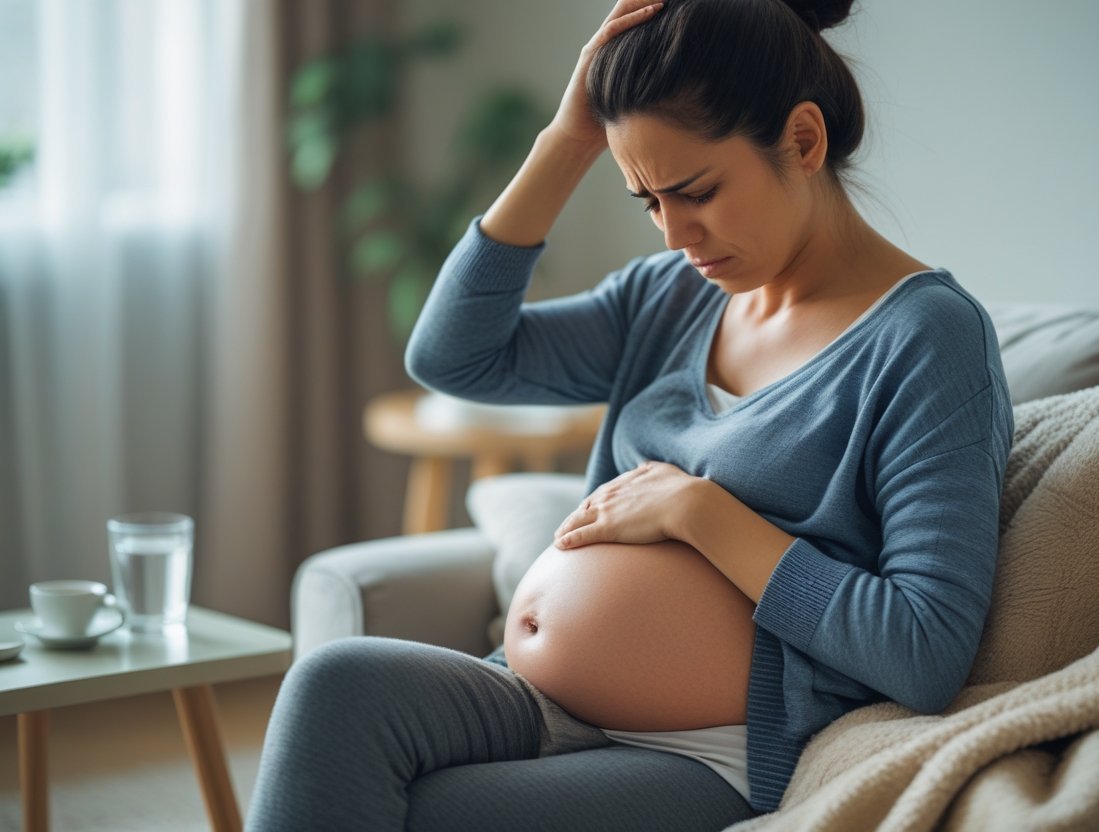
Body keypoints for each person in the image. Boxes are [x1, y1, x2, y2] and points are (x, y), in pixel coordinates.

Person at [246, 0, 1014, 829]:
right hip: (533, 692)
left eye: (696, 191)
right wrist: (568, 138)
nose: (674, 235)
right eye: (649, 200)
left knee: (427, 812)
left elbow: (925, 650)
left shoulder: (926, 338)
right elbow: (454, 355)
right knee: (334, 685)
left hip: (710, 751)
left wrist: (699, 511)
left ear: (803, 141)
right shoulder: (671, 297)